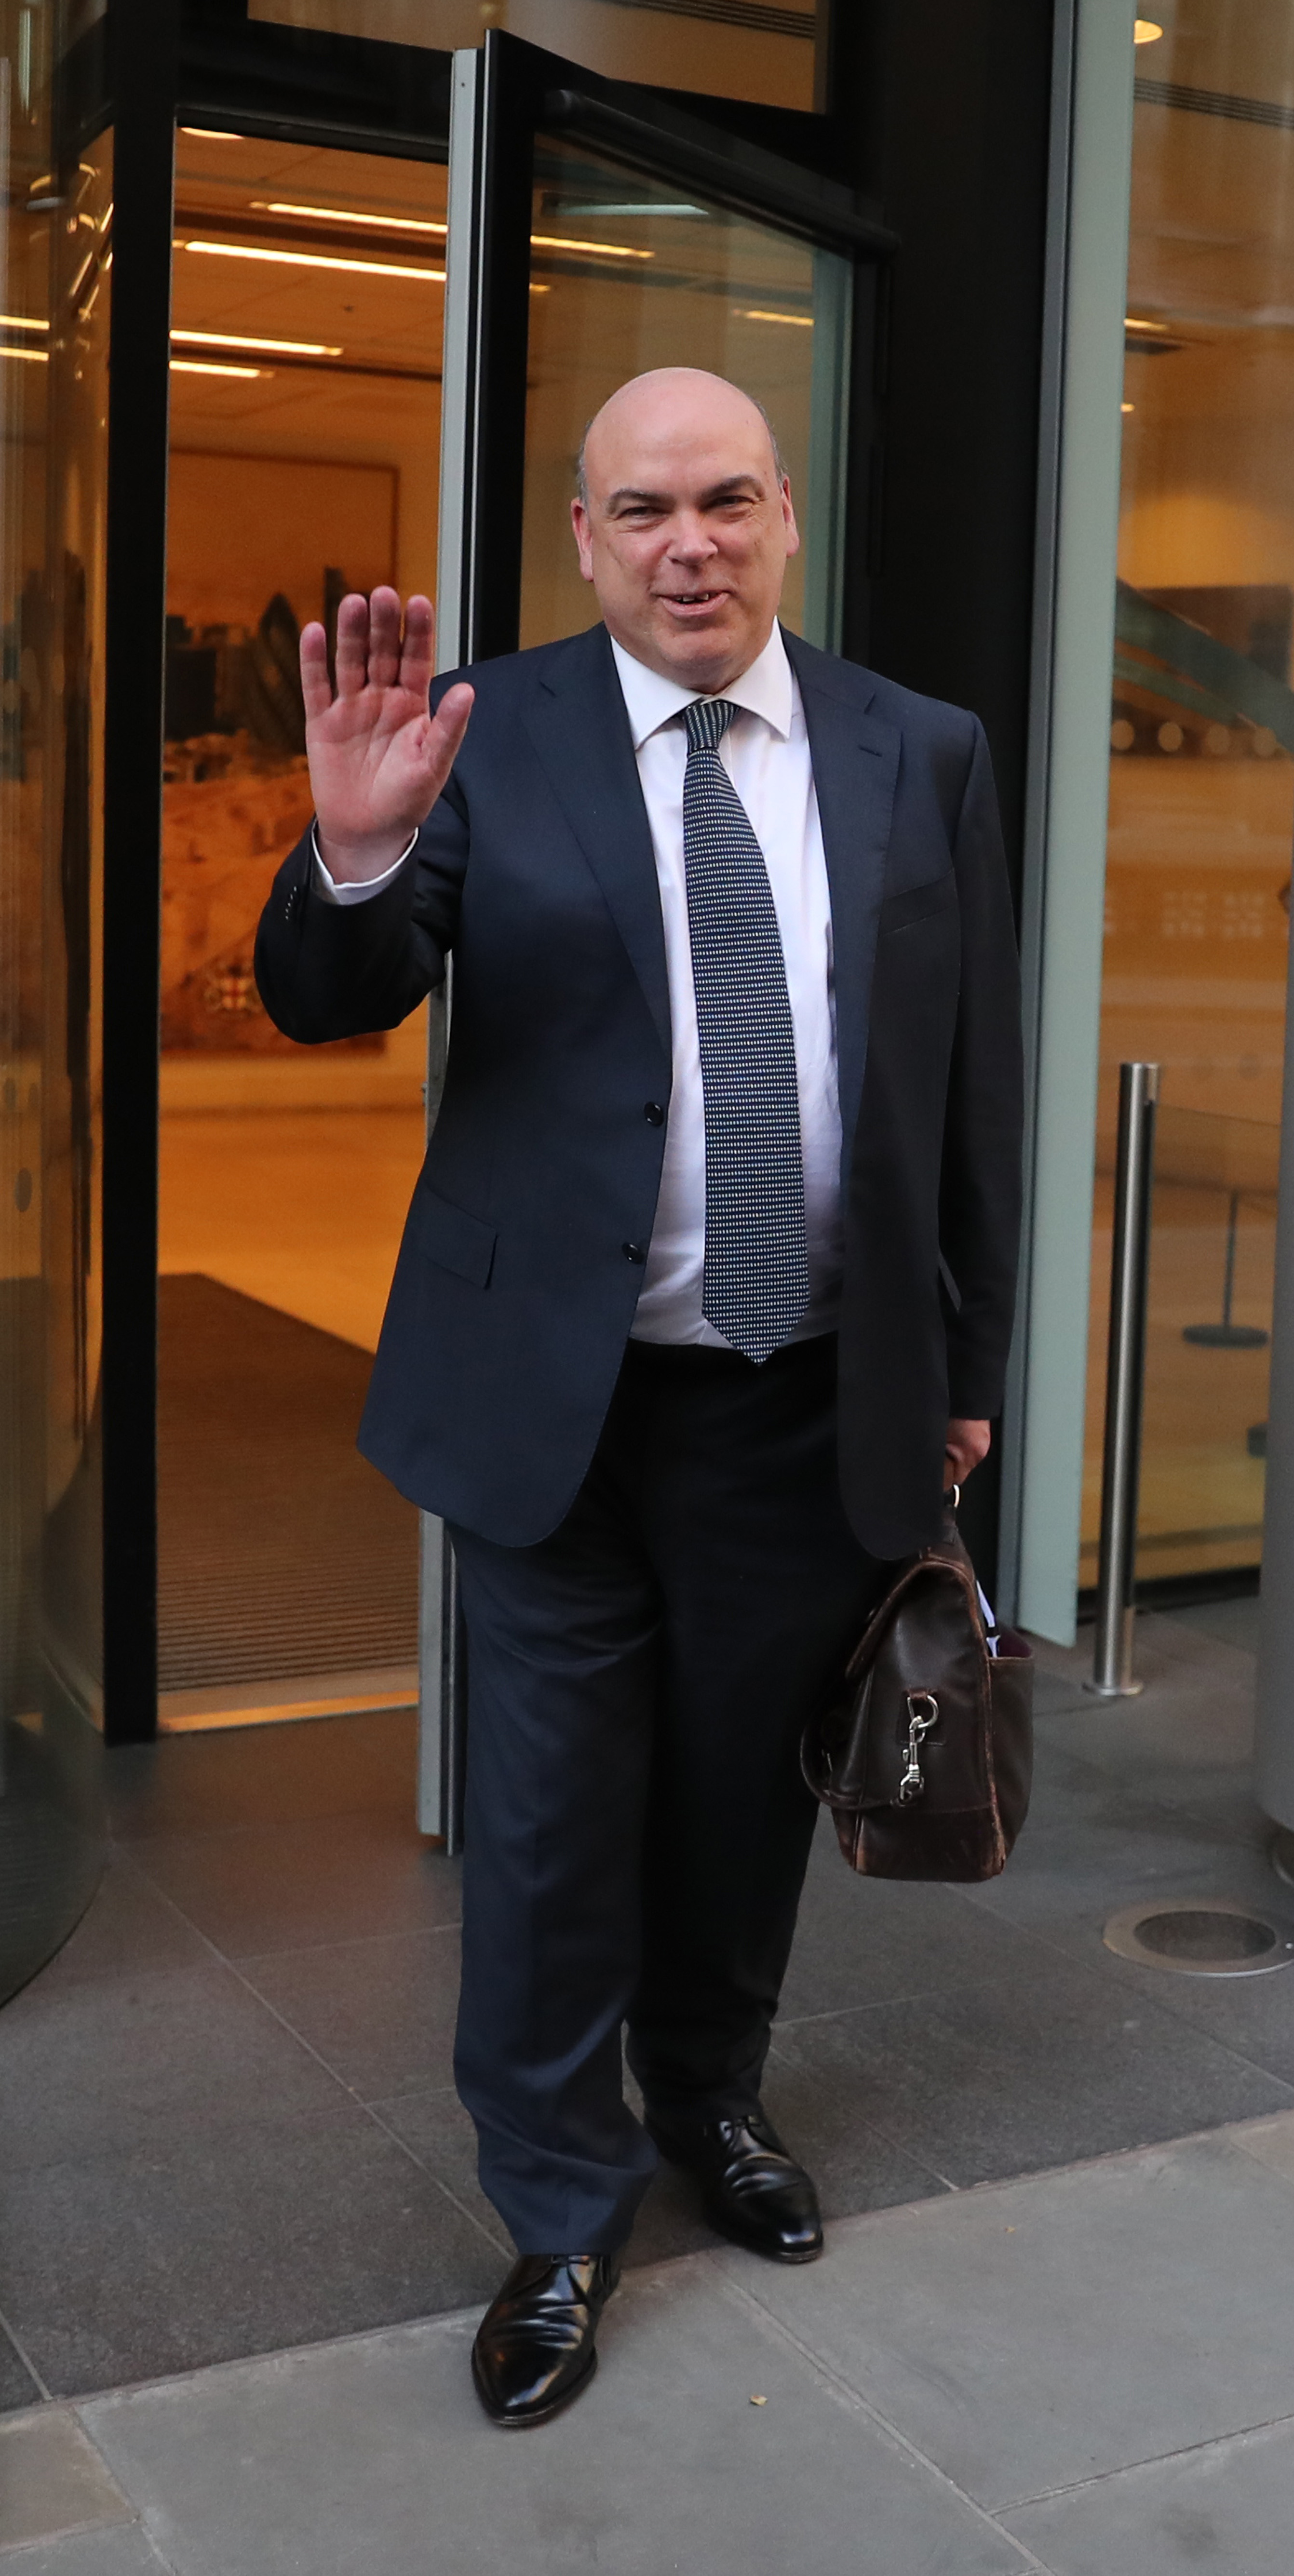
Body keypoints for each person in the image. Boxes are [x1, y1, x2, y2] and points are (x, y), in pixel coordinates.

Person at [254, 367, 1024, 2429]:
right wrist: (347, 849)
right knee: (548, 1818)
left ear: (782, 521)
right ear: (584, 542)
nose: (688, 541)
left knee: (734, 1799)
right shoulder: (483, 743)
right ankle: (561, 2210)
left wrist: (961, 1370)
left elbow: (968, 1093)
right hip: (556, 1404)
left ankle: (711, 2101)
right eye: (641, 510)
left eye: (725, 500)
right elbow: (331, 1001)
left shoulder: (916, 748)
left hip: (801, 1393)